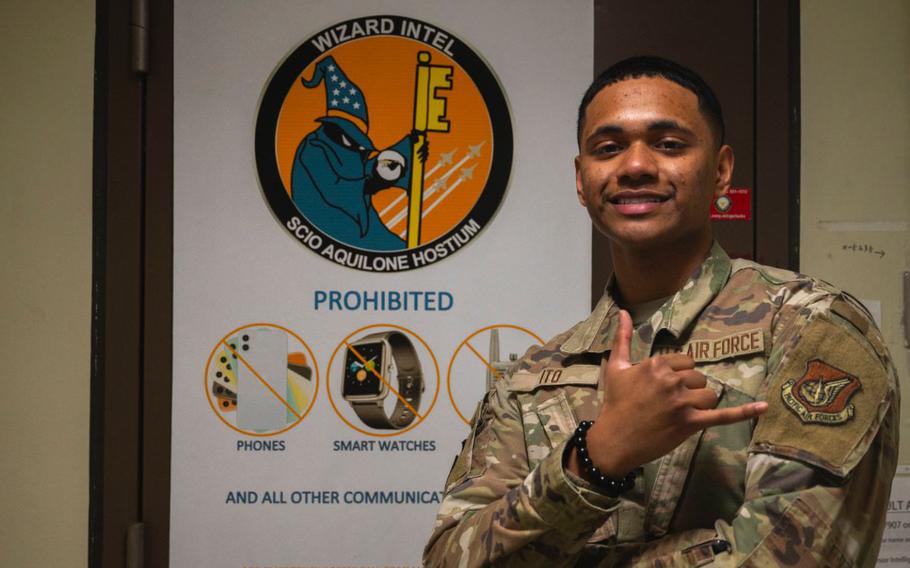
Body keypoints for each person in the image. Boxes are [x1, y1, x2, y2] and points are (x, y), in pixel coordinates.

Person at [423, 56, 899, 566]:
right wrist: (597, 457)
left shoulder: (809, 327)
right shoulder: (537, 376)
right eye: (608, 149)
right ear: (582, 181)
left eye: (669, 145)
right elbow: (452, 557)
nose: (635, 166)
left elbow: (791, 557)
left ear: (720, 172)